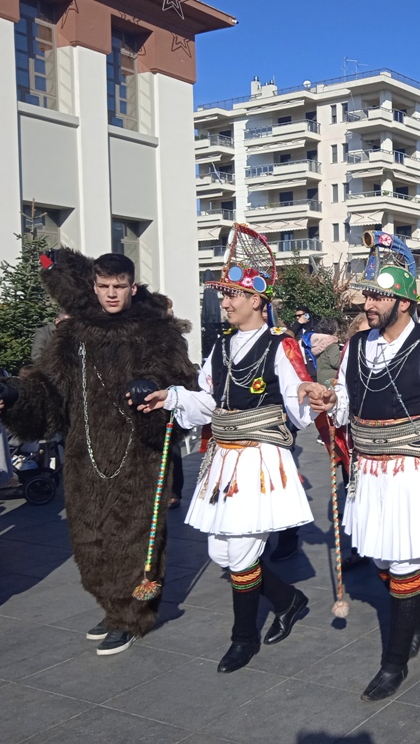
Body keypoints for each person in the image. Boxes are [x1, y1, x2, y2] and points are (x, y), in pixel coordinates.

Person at [302, 233, 420, 703]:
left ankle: (394, 662)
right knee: (383, 558)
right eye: (367, 294)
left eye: (378, 295)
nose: (368, 303)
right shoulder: (356, 347)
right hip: (371, 471)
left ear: (404, 301)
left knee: (404, 560)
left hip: (416, 470)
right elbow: (345, 408)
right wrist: (329, 400)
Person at [139, 224, 318, 673]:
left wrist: (312, 396)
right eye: (223, 294)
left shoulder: (282, 345)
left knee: (239, 553)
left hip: (260, 459)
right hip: (224, 459)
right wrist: (173, 397)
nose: (224, 301)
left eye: (232, 294)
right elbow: (208, 401)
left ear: (256, 299)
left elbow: (300, 401)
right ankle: (289, 599)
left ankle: (243, 638)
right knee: (223, 553)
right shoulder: (220, 347)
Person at [0, 251, 196, 656]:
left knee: (134, 538)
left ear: (132, 287)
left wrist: (151, 388)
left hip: (139, 455)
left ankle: (133, 616)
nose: (111, 294)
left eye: (119, 286)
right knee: (90, 540)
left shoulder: (158, 332)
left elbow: (182, 383)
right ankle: (111, 606)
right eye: (103, 286)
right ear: (93, 285)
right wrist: (16, 395)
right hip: (83, 455)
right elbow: (48, 389)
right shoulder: (73, 335)